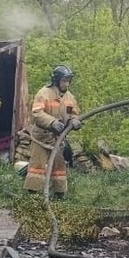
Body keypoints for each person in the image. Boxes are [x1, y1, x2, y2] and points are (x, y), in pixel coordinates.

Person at [23, 65, 82, 198]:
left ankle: (59, 194)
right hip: (41, 138)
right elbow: (37, 113)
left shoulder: (69, 97)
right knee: (36, 167)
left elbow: (72, 114)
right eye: (64, 81)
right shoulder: (43, 93)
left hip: (58, 139)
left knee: (59, 168)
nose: (67, 84)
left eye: (68, 81)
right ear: (56, 80)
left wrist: (74, 121)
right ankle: (32, 195)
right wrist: (52, 122)